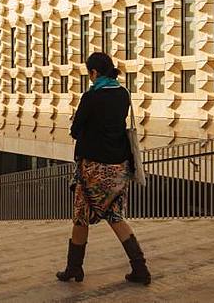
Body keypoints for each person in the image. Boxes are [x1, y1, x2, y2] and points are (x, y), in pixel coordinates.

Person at [56, 52, 151, 286]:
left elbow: (76, 130)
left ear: (94, 72)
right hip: (118, 168)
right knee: (115, 215)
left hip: (93, 170)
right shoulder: (123, 94)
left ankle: (74, 268)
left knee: (81, 216)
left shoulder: (91, 97)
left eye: (90, 73)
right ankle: (140, 268)